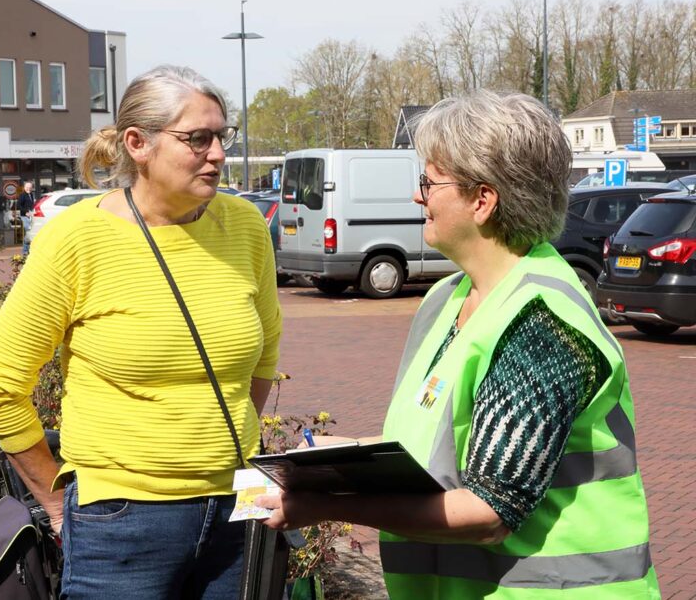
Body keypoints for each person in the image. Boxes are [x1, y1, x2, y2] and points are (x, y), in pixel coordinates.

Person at [257, 90, 660, 598]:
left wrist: (329, 503)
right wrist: (344, 456)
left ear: (482, 200)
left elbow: (490, 512)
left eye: (428, 181)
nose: (417, 196)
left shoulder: (542, 324)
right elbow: (446, 447)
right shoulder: (450, 297)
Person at [0, 65, 282, 599]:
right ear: (138, 144)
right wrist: (54, 503)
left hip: (238, 510)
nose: (218, 155)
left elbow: (261, 360)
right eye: (197, 139)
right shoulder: (76, 238)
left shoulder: (246, 227)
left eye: (222, 137)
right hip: (122, 522)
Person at [16, 181, 37, 257]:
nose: (29, 189)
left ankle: (28, 250)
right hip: (25, 216)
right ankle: (25, 250)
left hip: (31, 216)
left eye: (30, 187)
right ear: (24, 188)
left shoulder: (31, 194)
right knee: (28, 231)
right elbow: (18, 205)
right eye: (27, 187)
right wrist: (25, 212)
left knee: (30, 232)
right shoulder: (22, 195)